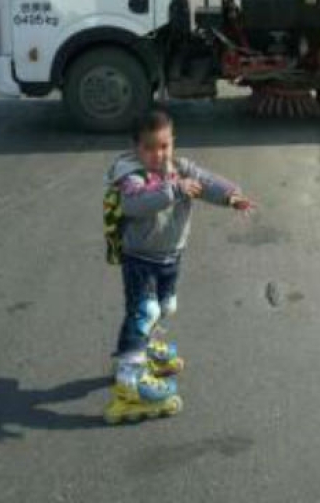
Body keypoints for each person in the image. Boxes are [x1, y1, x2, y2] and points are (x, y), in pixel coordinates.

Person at [104, 108, 255, 418]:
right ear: (136, 147)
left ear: (172, 142)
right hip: (140, 259)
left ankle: (145, 349)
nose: (158, 155)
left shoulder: (181, 169)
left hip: (171, 256)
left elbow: (207, 181)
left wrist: (231, 196)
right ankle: (129, 380)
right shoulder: (132, 175)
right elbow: (134, 204)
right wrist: (172, 189)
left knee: (165, 305)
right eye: (149, 147)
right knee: (144, 312)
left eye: (164, 146)